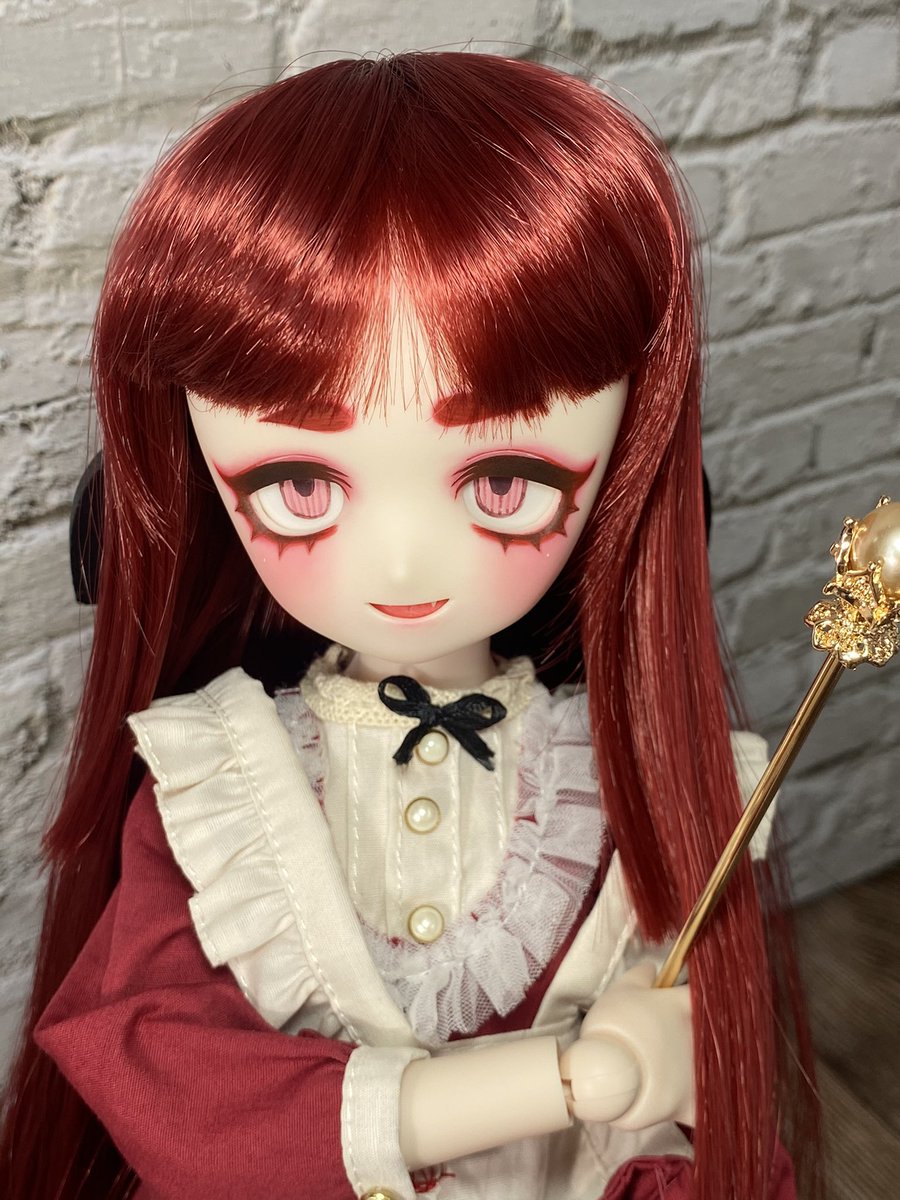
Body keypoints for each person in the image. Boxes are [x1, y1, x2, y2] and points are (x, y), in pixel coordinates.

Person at [0, 52, 816, 1200]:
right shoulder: (216, 785)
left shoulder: (620, 786)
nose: (399, 565)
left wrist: (676, 1074)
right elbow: (173, 1088)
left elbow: (692, 1116)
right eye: (299, 485)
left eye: (503, 483)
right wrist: (568, 1079)